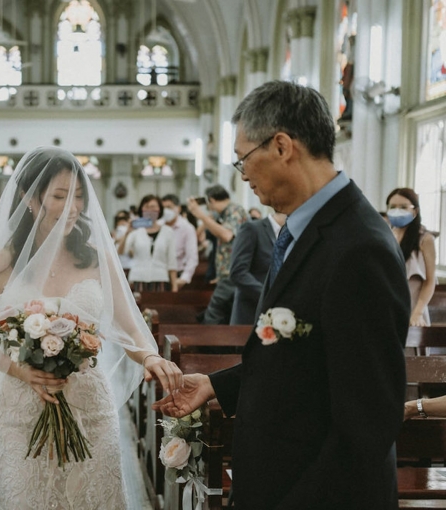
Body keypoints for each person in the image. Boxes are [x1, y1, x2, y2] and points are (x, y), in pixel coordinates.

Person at [154, 81, 409, 509]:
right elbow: (300, 359)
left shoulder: (359, 249)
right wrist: (216, 386)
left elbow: (367, 423)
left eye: (243, 160)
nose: (244, 175)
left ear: (282, 146)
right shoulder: (302, 229)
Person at [0, 147, 182, 509]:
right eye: (60, 196)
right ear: (30, 199)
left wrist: (149, 356)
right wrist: (23, 372)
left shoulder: (96, 259)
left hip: (90, 410)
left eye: (79, 198)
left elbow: (129, 327)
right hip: (21, 414)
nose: (73, 207)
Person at [187, 185, 247, 323]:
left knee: (214, 315)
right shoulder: (219, 215)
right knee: (222, 315)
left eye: (209, 204)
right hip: (225, 275)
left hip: (234, 274)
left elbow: (227, 235)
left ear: (212, 200)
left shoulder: (235, 211)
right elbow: (198, 236)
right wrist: (206, 218)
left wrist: (201, 214)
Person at [386, 188, 437, 326]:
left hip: (412, 309)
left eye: (403, 207)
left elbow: (430, 281)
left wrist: (418, 312)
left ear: (415, 211)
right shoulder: (386, 235)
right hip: (387, 306)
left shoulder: (425, 238)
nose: (397, 211)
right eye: (392, 207)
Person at [228, 213, 286, 324]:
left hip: (279, 314)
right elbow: (238, 272)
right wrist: (269, 295)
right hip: (251, 310)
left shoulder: (292, 234)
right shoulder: (252, 228)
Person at [118, 195, 178, 292]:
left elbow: (172, 261)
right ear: (141, 210)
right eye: (146, 207)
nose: (150, 210)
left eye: (153, 207)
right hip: (138, 277)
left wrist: (174, 285)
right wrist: (127, 232)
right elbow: (121, 252)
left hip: (161, 278)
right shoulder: (136, 231)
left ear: (159, 210)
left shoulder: (168, 232)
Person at [162, 194, 199, 288]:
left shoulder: (187, 228)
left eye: (169, 207)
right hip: (159, 274)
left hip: (178, 274)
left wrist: (184, 278)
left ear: (178, 208)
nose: (166, 210)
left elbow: (192, 256)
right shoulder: (158, 225)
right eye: (163, 208)